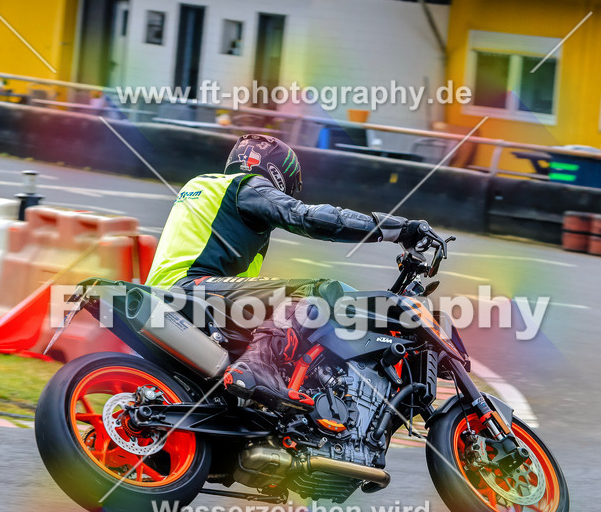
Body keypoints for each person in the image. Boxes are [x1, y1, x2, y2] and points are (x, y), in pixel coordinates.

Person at [145, 133, 428, 411]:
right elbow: (306, 217)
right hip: (193, 288)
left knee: (278, 319)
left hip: (180, 295)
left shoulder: (205, 187)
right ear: (277, 171)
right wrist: (396, 229)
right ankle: (256, 366)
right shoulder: (245, 186)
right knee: (315, 292)